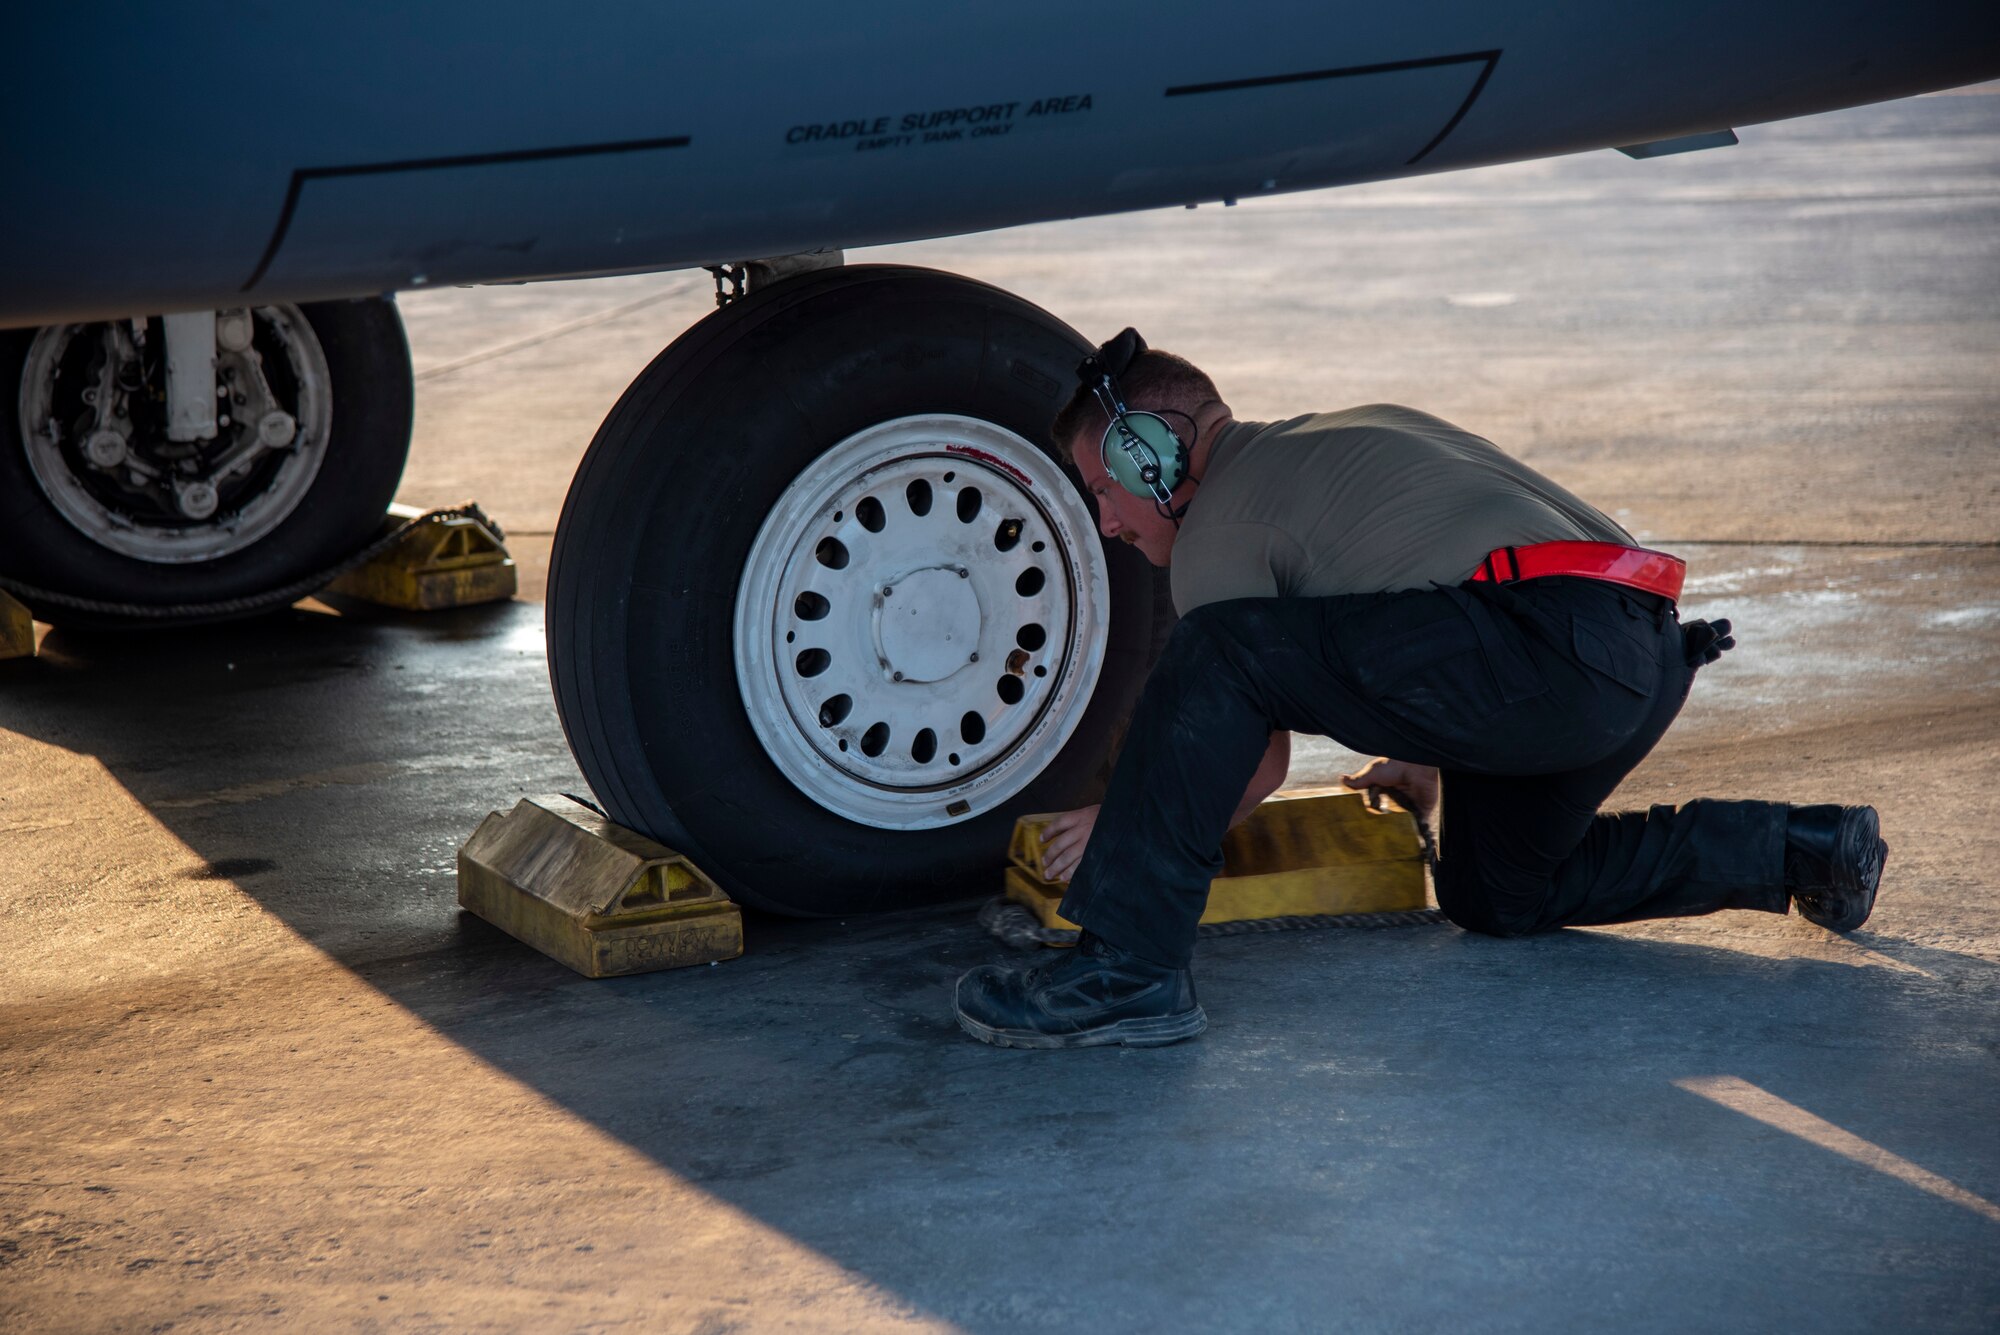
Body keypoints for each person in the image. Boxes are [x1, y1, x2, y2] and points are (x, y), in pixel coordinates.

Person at [953, 330, 1888, 1050]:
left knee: (1214, 650)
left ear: (1146, 458)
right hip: (1627, 654)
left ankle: (1125, 971)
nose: (1104, 519)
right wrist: (1418, 750)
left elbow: (1252, 754)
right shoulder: (1336, 442)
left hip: (1543, 645)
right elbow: (1441, 575)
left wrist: (1124, 835)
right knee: (1502, 893)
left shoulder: (1217, 528)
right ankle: (1801, 848)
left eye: (1099, 486)